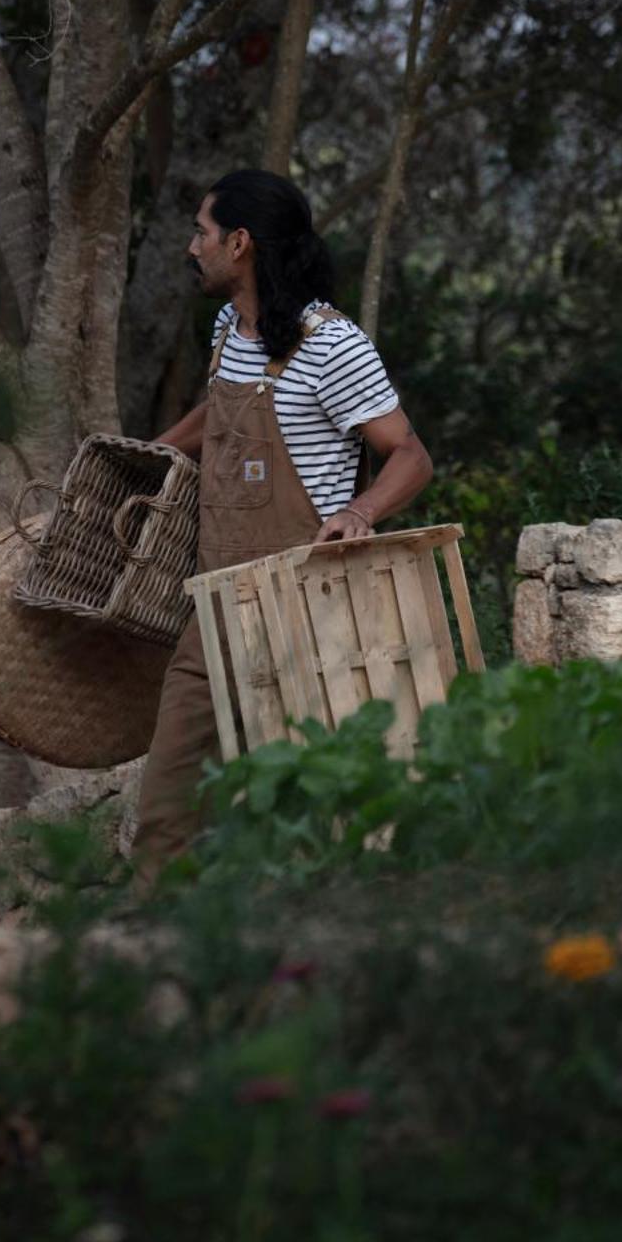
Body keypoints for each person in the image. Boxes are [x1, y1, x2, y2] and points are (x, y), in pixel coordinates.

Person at [130, 167, 433, 883]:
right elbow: (220, 414)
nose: (190, 246)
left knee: (314, 811)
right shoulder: (226, 329)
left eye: (201, 232)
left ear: (239, 244)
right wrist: (152, 453)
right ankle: (144, 947)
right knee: (167, 798)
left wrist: (360, 512)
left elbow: (410, 456)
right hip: (215, 606)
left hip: (305, 611)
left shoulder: (331, 345)